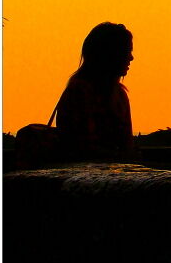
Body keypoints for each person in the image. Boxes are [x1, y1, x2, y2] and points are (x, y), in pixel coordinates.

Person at [56, 22, 135, 161]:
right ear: (109, 55)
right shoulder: (80, 93)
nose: (131, 57)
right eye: (126, 51)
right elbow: (81, 146)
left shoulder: (119, 95)